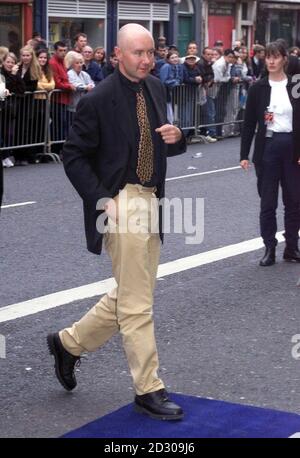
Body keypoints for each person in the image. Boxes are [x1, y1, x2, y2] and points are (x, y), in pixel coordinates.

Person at [47, 23, 186, 420]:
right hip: (121, 201)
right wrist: (102, 200)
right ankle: (149, 388)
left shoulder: (157, 87)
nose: (146, 60)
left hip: (152, 199)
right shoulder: (97, 99)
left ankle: (68, 344)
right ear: (118, 55)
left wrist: (179, 138)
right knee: (138, 304)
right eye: (138, 53)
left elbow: (160, 142)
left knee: (131, 294)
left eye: (150, 53)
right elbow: (73, 156)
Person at [240, 41, 300, 266]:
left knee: (294, 200)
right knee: (268, 202)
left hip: (293, 147)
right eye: (268, 57)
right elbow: (248, 125)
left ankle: (292, 247)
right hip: (268, 147)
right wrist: (244, 154)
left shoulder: (296, 84)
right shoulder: (258, 88)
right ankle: (269, 248)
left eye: (276, 56)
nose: (272, 61)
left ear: (285, 58)